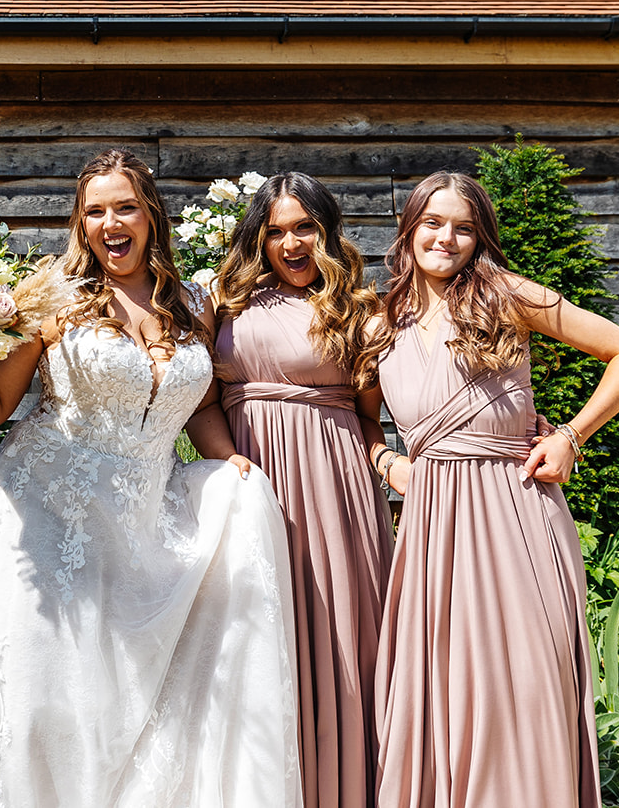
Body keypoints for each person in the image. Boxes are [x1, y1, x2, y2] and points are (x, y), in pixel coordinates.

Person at [0, 149, 302, 807]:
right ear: (81, 223)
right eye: (94, 210)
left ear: (149, 214)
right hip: (44, 519)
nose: (110, 222)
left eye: (123, 206)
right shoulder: (53, 297)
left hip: (142, 522)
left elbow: (203, 399)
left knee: (129, 703)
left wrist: (226, 457)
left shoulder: (192, 303)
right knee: (50, 704)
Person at [366, 172, 619, 808]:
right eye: (434, 223)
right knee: (444, 686)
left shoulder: (509, 295)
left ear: (480, 238)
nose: (447, 238)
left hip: (515, 510)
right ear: (409, 228)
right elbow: (358, 417)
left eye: (464, 228)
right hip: (434, 523)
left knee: (524, 683)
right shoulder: (379, 321)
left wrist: (571, 436)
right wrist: (389, 461)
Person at [215, 172, 394, 808]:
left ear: (327, 233)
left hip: (335, 489)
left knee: (342, 635)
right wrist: (228, 462)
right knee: (259, 638)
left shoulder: (360, 311)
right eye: (276, 232)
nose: (292, 244)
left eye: (305, 228)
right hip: (247, 483)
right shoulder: (225, 300)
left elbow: (374, 415)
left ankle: (348, 790)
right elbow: (198, 396)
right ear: (258, 240)